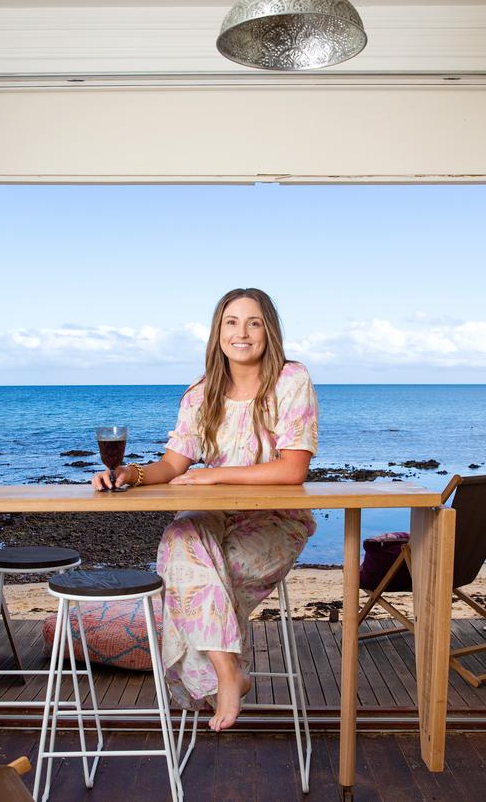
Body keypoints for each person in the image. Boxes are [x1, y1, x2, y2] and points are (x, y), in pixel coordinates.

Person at [92, 288, 318, 732]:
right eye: (231, 322)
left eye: (253, 322)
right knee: (179, 539)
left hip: (275, 522)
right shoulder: (200, 394)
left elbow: (293, 469)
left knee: (190, 577)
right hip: (212, 518)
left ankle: (217, 675)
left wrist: (215, 474)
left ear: (268, 331)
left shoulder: (291, 380)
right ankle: (227, 672)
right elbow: (173, 465)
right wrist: (129, 475)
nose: (242, 332)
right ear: (217, 333)